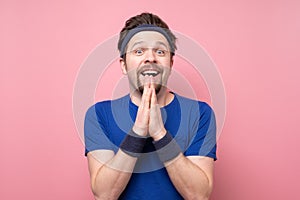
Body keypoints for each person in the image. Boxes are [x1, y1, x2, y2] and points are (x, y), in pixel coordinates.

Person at [84, 12, 217, 200]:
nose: (150, 58)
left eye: (160, 51)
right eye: (139, 51)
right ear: (123, 65)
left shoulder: (200, 113)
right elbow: (104, 195)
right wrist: (137, 133)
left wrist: (160, 134)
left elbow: (198, 195)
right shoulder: (99, 115)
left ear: (170, 63)